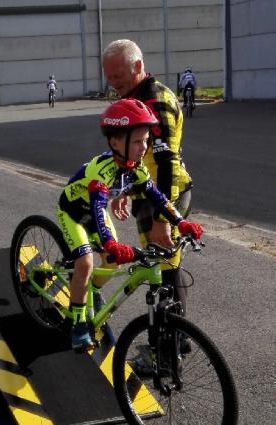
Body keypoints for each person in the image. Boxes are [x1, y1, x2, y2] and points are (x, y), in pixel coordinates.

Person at [57, 98, 203, 351]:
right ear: (115, 142)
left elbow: (157, 197)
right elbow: (97, 207)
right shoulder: (100, 170)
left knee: (111, 264)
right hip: (74, 214)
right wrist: (110, 243)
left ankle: (90, 291)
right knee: (86, 263)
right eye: (137, 141)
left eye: (146, 140)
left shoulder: (135, 168)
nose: (143, 147)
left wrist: (180, 222)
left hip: (94, 214)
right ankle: (78, 322)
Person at [102, 40, 193, 315]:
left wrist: (162, 220)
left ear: (138, 66)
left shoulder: (156, 102)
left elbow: (167, 164)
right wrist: (123, 190)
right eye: (109, 78)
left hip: (167, 195)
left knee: (164, 272)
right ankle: (171, 345)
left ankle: (169, 350)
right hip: (148, 193)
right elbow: (138, 154)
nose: (113, 84)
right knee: (162, 272)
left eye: (118, 76)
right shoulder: (134, 98)